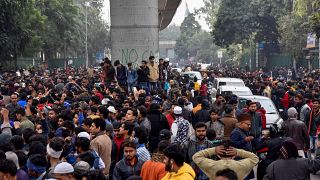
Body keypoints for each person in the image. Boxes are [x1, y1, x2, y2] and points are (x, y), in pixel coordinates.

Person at [192, 143, 259, 179]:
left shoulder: (212, 165)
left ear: (218, 155)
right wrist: (238, 151)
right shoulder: (241, 165)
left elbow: (196, 157)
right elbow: (255, 158)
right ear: (234, 156)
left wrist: (214, 150)